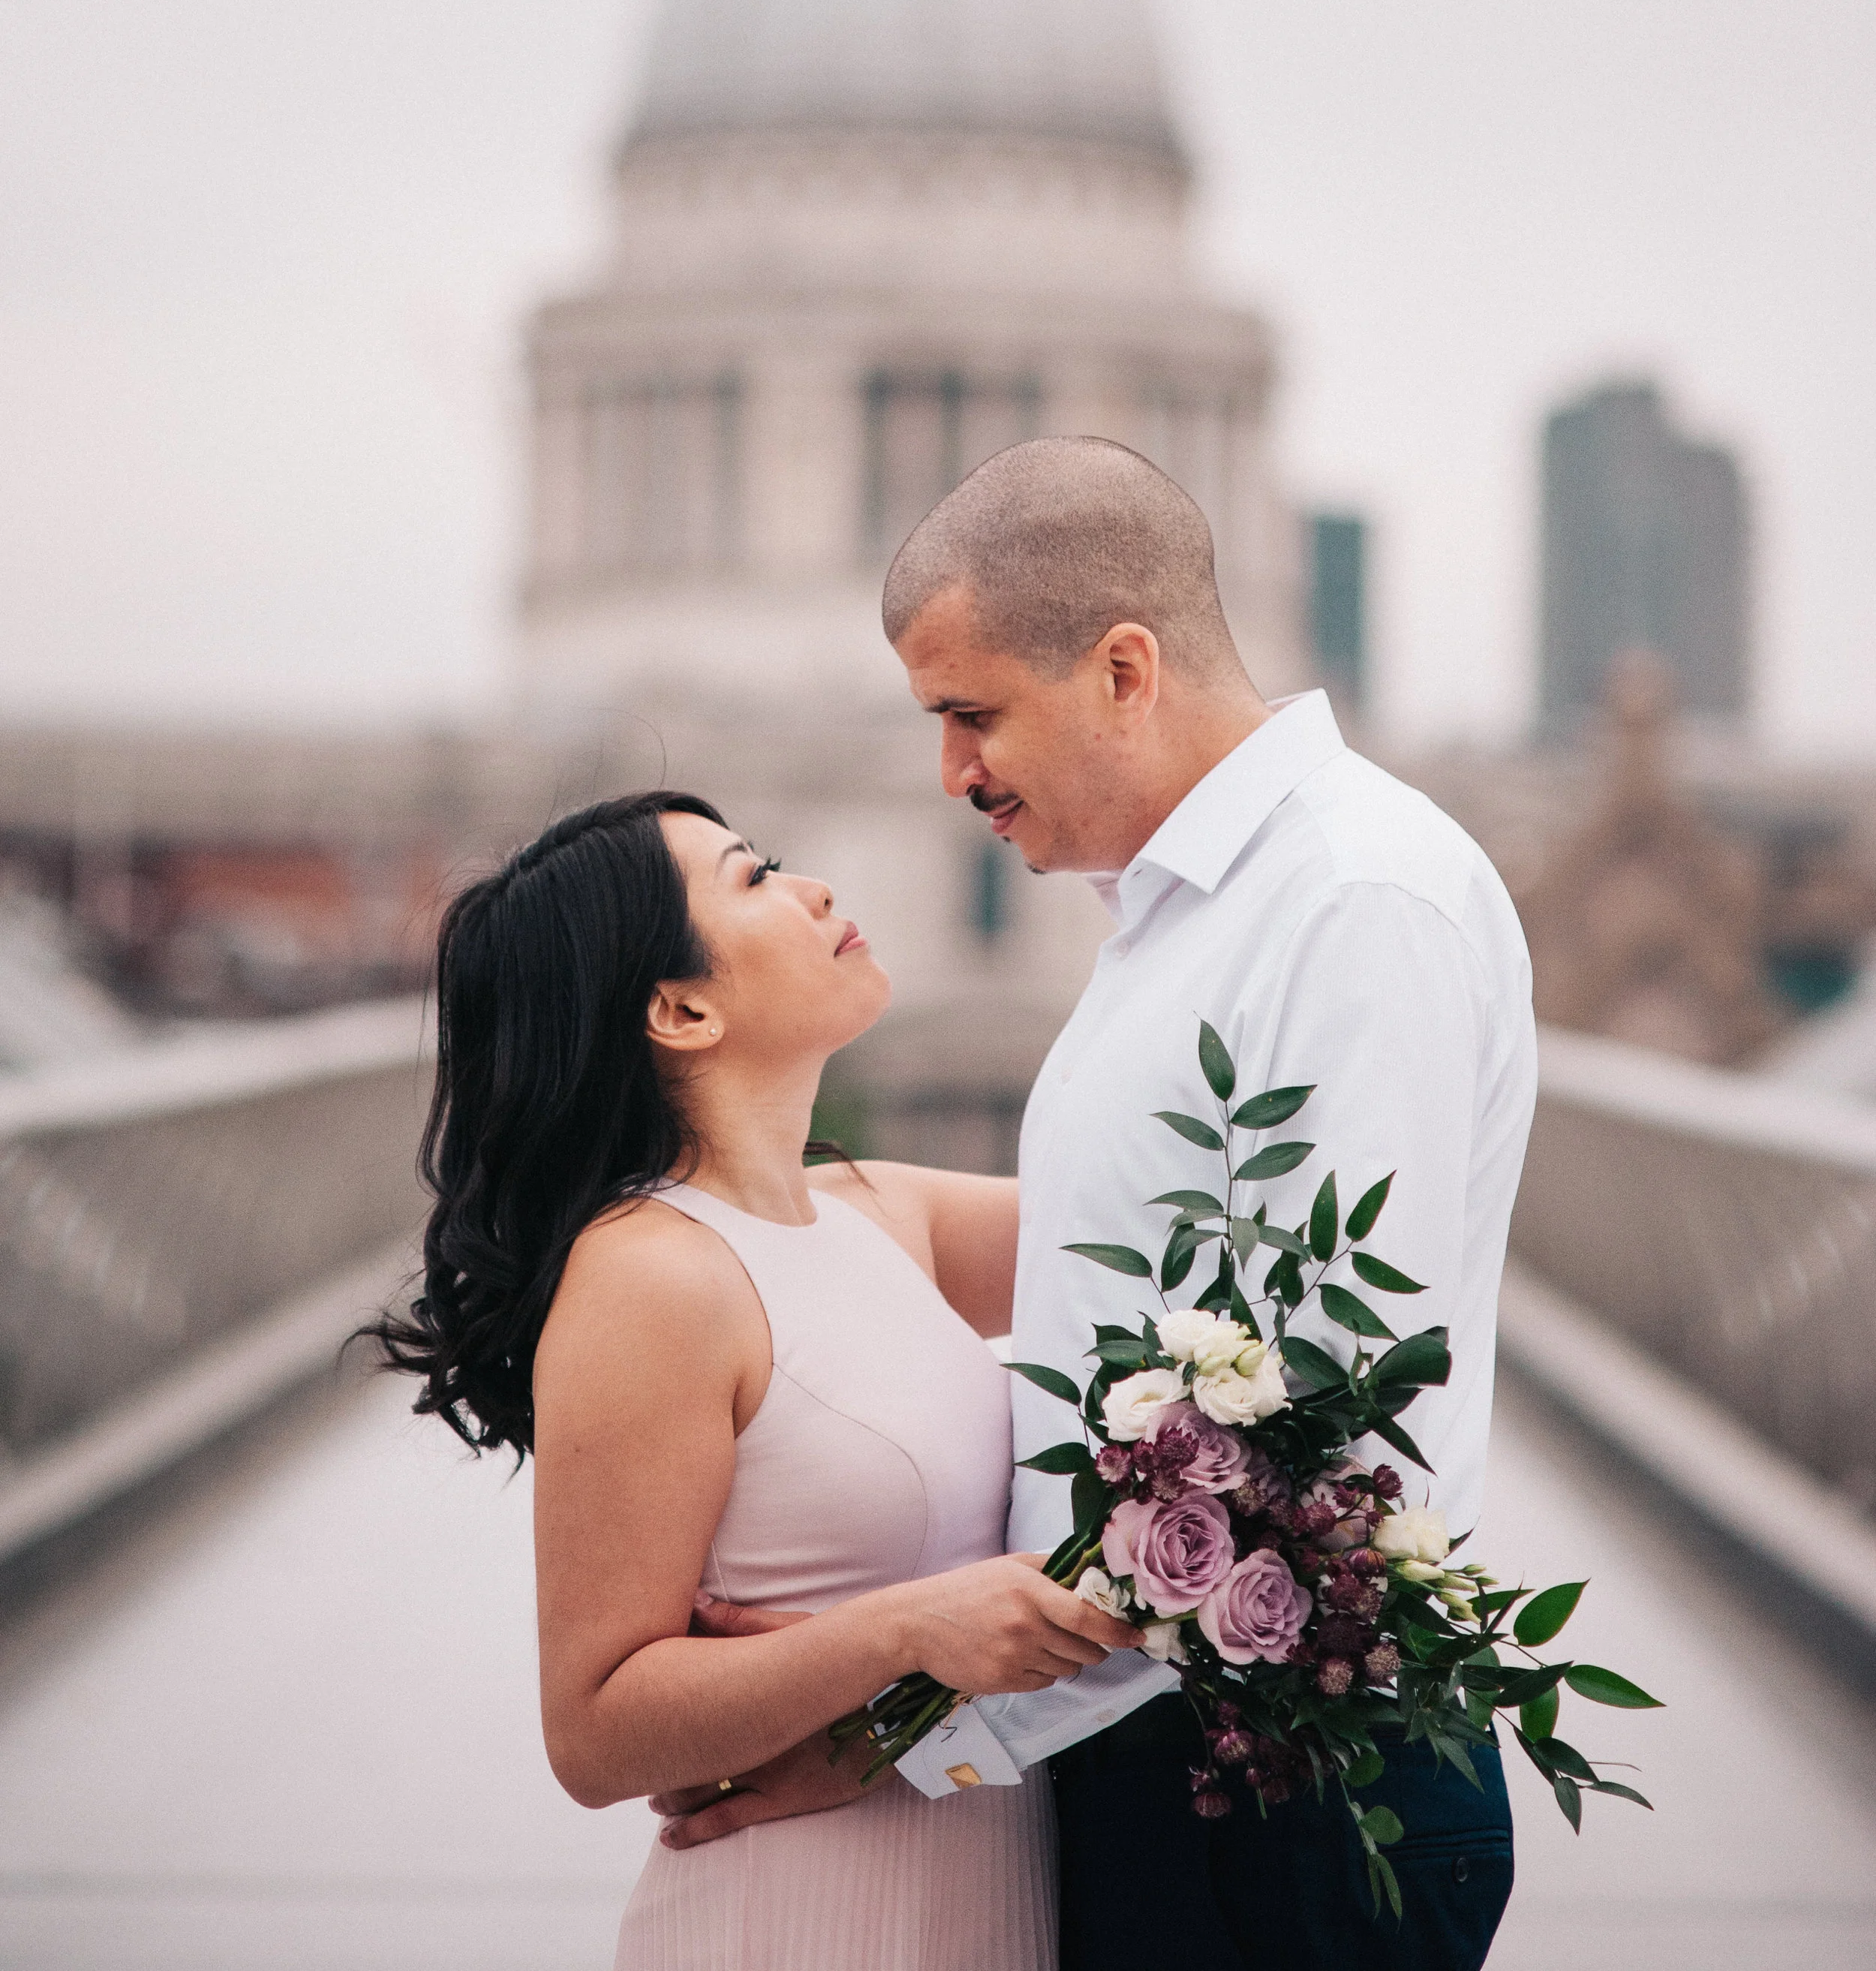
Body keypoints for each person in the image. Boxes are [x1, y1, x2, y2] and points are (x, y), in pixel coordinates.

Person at [661, 437, 1538, 1971]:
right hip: (1178, 1757)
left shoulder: (1349, 904)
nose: (951, 775)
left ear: (1123, 669)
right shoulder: (1184, 913)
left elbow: (1316, 1432)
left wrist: (917, 1729)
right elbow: (1126, 1302)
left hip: (1290, 1800)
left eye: (972, 714)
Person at [371, 789, 1137, 1971]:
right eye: (752, 876)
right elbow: (594, 1729)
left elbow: (1189, 1257)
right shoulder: (649, 1277)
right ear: (679, 1008)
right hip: (800, 1913)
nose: (814, 889)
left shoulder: (879, 1208)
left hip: (986, 1879)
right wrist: (908, 1632)